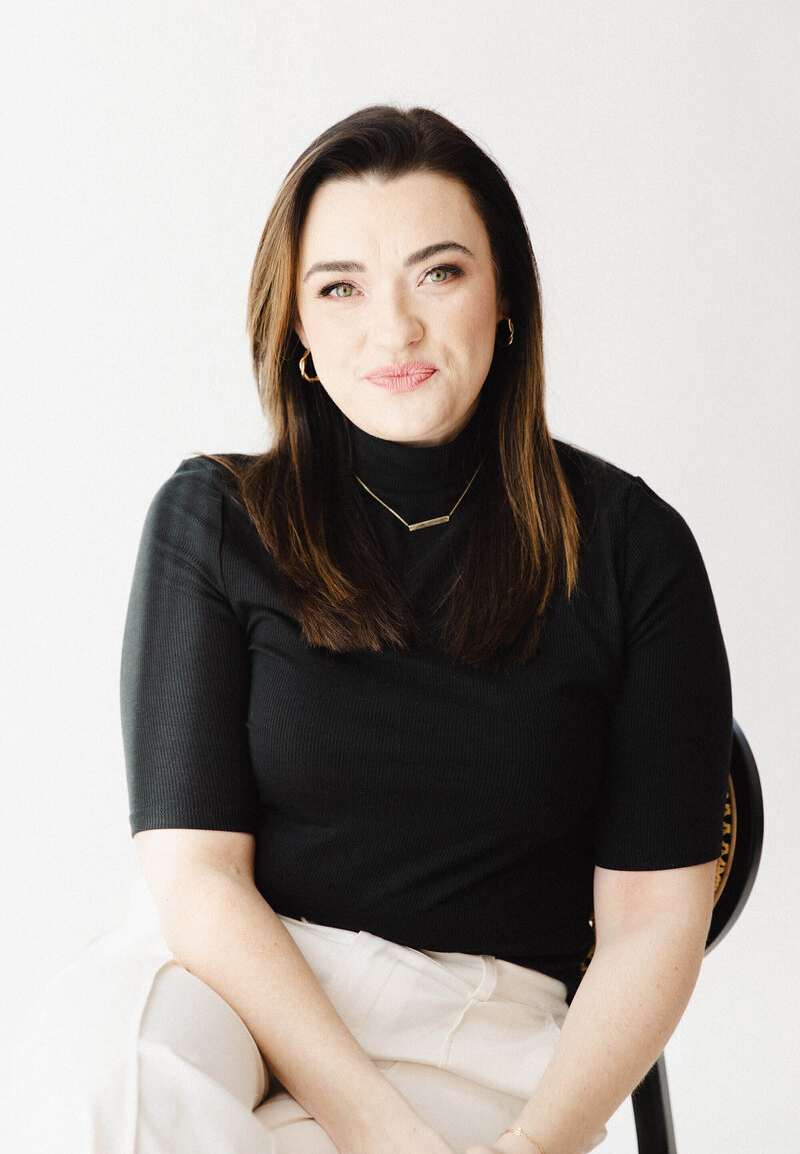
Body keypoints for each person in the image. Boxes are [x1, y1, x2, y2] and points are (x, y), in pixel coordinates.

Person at [3, 105, 732, 1154]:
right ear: (294, 327)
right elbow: (196, 878)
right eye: (338, 287)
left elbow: (653, 922)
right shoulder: (213, 520)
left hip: (471, 1028)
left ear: (506, 299)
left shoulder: (630, 546)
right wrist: (375, 1130)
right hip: (227, 981)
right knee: (98, 1093)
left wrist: (535, 1147)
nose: (389, 330)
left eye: (437, 273)